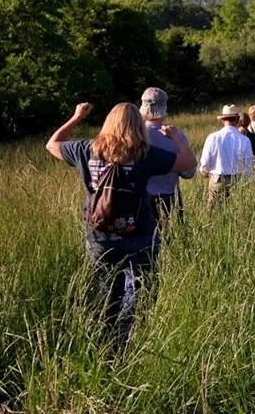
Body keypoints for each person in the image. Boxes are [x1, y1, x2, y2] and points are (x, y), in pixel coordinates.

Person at [46, 102, 197, 346]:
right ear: (139, 126)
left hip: (100, 234)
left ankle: (106, 341)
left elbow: (51, 144)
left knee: (106, 290)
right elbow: (188, 162)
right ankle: (134, 338)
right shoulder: (144, 154)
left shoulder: (86, 149)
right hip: (139, 233)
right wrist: (177, 138)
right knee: (143, 287)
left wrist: (76, 118)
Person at [139, 87, 196, 226]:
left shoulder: (134, 136)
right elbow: (189, 173)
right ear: (164, 107)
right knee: (170, 242)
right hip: (169, 199)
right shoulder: (177, 135)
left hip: (139, 200)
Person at [199, 104, 254, 208]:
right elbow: (248, 166)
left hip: (217, 180)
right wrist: (249, 182)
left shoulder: (212, 138)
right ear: (237, 120)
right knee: (237, 214)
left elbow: (205, 163)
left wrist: (204, 172)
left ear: (222, 120)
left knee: (213, 215)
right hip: (238, 181)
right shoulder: (244, 140)